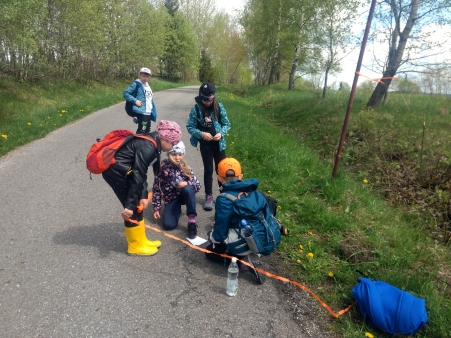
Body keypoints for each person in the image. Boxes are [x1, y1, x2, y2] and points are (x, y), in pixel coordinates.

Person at [102, 120, 182, 256]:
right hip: (116, 173)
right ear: (164, 138)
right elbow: (138, 176)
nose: (173, 147)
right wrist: (129, 204)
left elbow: (141, 172)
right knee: (132, 209)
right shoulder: (148, 147)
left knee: (138, 205)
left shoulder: (153, 143)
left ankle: (142, 240)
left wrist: (143, 196)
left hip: (128, 172)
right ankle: (134, 246)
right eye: (172, 143)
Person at [205, 158, 269, 285]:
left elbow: (221, 233)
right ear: (241, 176)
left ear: (218, 178)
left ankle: (242, 261)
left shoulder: (223, 199)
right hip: (262, 237)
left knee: (209, 252)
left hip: (241, 242)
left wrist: (212, 236)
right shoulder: (255, 192)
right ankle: (254, 256)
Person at [186, 82, 231, 211]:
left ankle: (224, 194)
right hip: (205, 144)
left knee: (222, 169)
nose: (207, 102)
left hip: (219, 144)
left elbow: (227, 124)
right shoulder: (196, 109)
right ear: (201, 97)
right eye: (204, 100)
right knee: (208, 169)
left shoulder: (219, 107)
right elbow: (190, 126)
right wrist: (201, 134)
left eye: (209, 100)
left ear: (213, 98)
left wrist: (221, 134)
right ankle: (209, 196)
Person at [151, 141, 201, 239]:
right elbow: (156, 188)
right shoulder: (162, 168)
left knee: (189, 189)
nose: (177, 158)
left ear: (183, 154)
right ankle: (174, 209)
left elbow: (198, 185)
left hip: (183, 195)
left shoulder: (185, 167)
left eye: (180, 154)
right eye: (174, 154)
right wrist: (156, 208)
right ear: (169, 154)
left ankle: (192, 222)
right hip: (171, 197)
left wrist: (187, 183)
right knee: (168, 225)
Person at [123, 67, 157, 134]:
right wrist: (135, 101)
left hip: (148, 111)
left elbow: (149, 98)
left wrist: (152, 109)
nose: (145, 78)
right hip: (141, 111)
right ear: (139, 75)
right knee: (142, 130)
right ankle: (137, 143)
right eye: (143, 76)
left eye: (147, 77)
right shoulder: (136, 84)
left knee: (147, 130)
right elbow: (126, 93)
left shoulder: (147, 86)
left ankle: (143, 143)